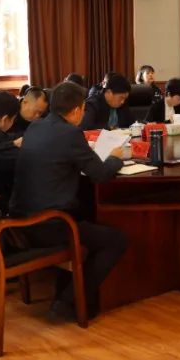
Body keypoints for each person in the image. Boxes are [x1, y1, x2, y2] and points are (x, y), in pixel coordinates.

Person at [10, 82, 128, 320]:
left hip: (19, 220)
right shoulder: (70, 134)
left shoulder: (35, 127)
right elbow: (100, 174)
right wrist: (115, 158)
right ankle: (68, 300)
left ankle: (66, 293)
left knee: (85, 216)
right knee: (116, 240)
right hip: (49, 225)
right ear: (76, 110)